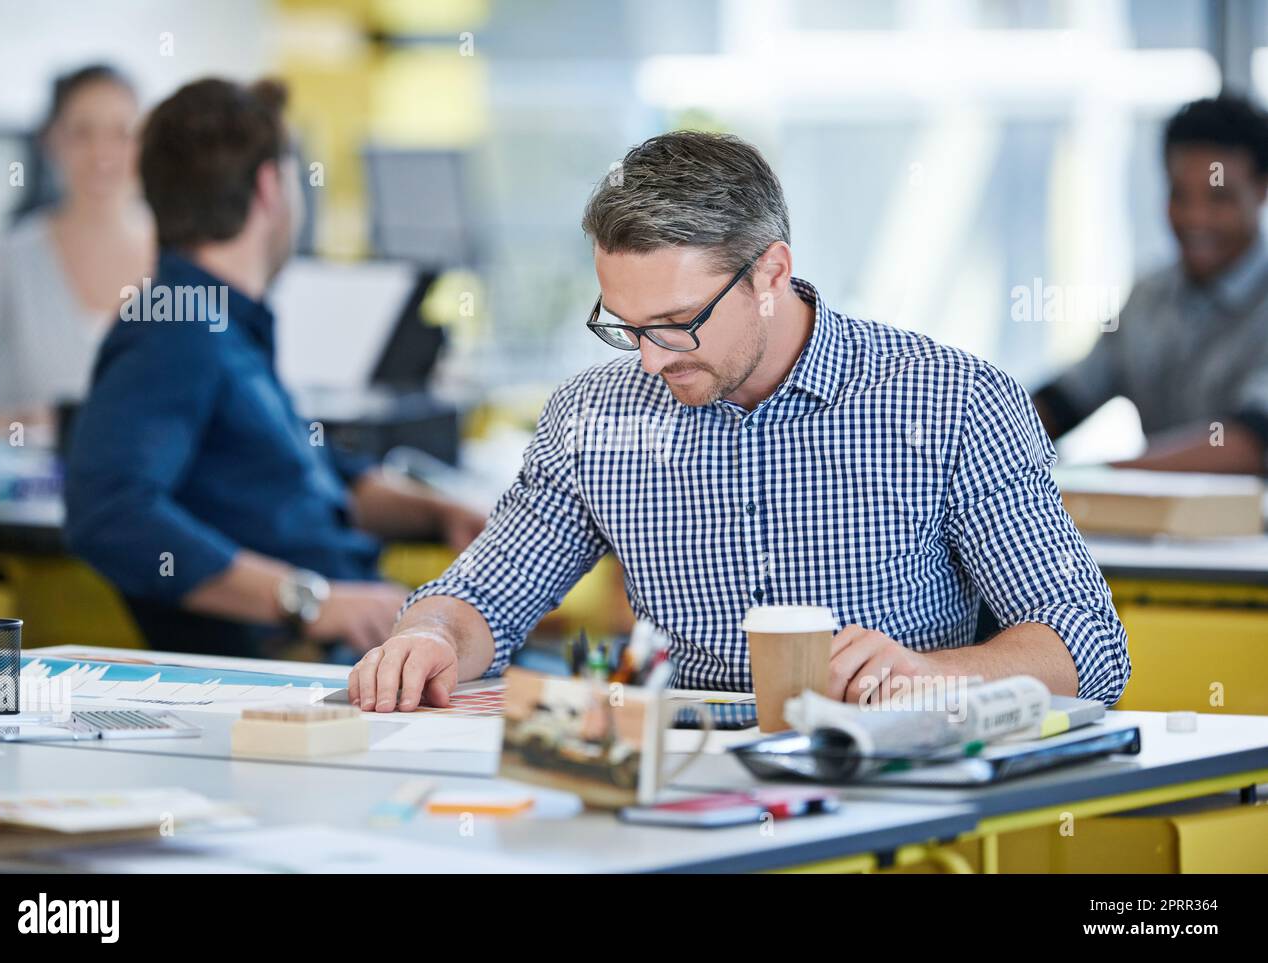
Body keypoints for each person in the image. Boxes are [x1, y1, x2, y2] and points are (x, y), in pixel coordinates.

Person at [349, 131, 1130, 712]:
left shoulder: (952, 400)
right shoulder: (594, 417)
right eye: (624, 326)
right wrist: (432, 638)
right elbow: (482, 594)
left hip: (892, 778)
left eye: (678, 321)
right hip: (680, 788)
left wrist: (935, 674)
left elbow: (1087, 645)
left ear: (772, 274)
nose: (650, 360)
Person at [64, 78, 483, 660]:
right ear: (269, 186)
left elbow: (316, 482)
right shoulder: (174, 330)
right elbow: (107, 512)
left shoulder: (226, 324)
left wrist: (441, 512)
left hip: (365, 637)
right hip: (311, 669)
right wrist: (309, 601)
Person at [1033, 95, 1268, 475]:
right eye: (1179, 195)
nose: (1196, 218)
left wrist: (1105, 475)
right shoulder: (1149, 297)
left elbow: (1251, 445)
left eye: (1219, 197)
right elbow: (1064, 400)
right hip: (1155, 529)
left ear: (1261, 190)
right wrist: (988, 439)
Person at [0, 64, 154, 435]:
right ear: (52, 141)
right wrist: (21, 425)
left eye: (121, 133)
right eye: (82, 133)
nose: (102, 153)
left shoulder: (182, 261)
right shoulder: (3, 263)